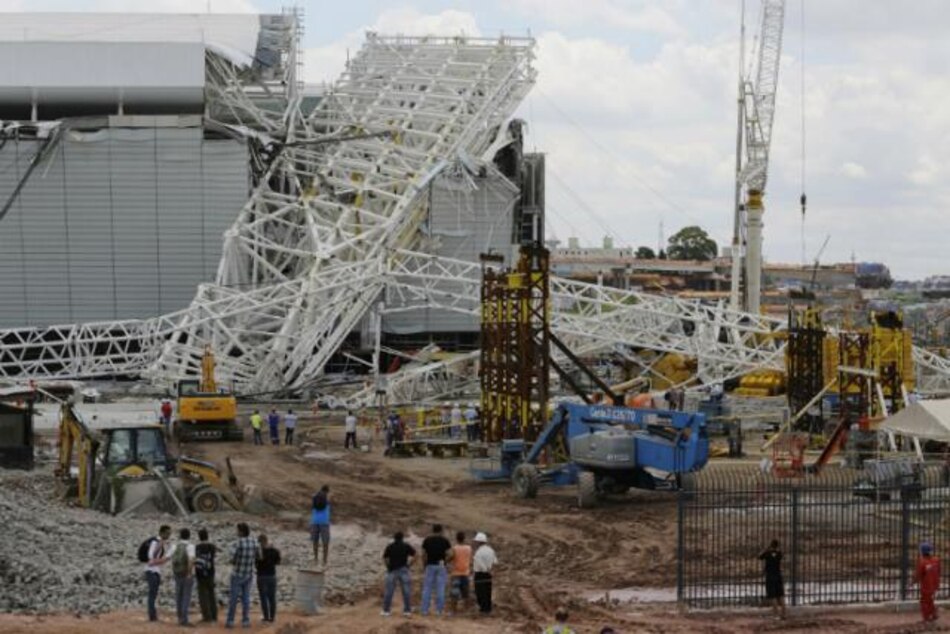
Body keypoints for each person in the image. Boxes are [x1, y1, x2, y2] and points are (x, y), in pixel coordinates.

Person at [226, 522, 261, 629]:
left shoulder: (238, 543)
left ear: (241, 532)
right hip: (249, 573)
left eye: (237, 530)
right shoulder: (254, 542)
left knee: (234, 598)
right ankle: (245, 620)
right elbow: (259, 556)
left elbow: (232, 558)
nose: (236, 532)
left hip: (237, 573)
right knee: (246, 598)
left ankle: (230, 621)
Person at [420, 523, 453, 616]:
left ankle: (424, 610)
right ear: (441, 530)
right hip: (441, 565)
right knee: (440, 589)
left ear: (433, 530)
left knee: (427, 588)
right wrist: (445, 561)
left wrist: (424, 565)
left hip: (430, 565)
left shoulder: (427, 540)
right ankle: (439, 611)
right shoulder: (445, 540)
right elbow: (451, 554)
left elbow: (423, 554)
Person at [381, 531, 416, 617]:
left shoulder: (390, 546)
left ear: (394, 538)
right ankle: (407, 611)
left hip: (392, 570)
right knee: (406, 591)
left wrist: (388, 566)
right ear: (402, 538)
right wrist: (409, 565)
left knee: (389, 591)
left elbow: (385, 558)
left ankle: (386, 611)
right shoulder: (406, 546)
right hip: (403, 569)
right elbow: (415, 555)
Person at [144, 525, 172, 622]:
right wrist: (161, 544)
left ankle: (153, 614)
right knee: (152, 593)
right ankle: (152, 616)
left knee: (154, 593)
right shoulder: (155, 542)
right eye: (167, 533)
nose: (169, 535)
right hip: (151, 570)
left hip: (156, 570)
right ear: (162, 533)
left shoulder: (160, 542)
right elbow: (151, 556)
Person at [171, 527, 197, 626]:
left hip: (177, 573)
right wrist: (189, 573)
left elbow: (171, 558)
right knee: (186, 596)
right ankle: (184, 619)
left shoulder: (175, 546)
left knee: (179, 595)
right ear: (189, 536)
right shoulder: (190, 546)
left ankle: (179, 618)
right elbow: (191, 560)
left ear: (180, 536)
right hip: (186, 573)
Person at [256, 534, 281, 623]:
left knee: (263, 598)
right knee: (272, 598)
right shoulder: (274, 550)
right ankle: (272, 617)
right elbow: (278, 562)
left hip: (261, 576)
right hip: (272, 576)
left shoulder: (258, 552)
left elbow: (255, 562)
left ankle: (266, 617)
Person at [758, 539, 786, 619]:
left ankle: (775, 614)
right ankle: (783, 614)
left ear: (771, 545)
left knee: (772, 596)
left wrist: (766, 548)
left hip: (770, 576)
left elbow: (759, 556)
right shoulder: (779, 554)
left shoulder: (767, 554)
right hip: (778, 576)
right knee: (780, 595)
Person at [195, 528, 218, 624]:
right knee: (211, 594)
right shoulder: (212, 547)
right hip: (211, 572)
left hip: (200, 573)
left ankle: (207, 616)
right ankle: (214, 615)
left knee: (203, 595)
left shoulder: (197, 547)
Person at [472, 532, 497, 615]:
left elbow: (480, 564)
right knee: (487, 591)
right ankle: (488, 609)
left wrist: (486, 569)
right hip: (489, 574)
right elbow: (495, 562)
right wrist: (491, 570)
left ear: (479, 542)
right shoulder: (491, 550)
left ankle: (483, 609)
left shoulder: (478, 552)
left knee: (480, 592)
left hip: (480, 574)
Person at [915, 542, 941, 622]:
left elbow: (918, 574)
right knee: (929, 600)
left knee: (924, 601)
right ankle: (934, 614)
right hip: (935, 584)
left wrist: (913, 582)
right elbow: (939, 571)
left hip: (927, 585)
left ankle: (926, 618)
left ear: (922, 552)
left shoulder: (922, 562)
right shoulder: (936, 560)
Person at [449, 531, 472, 615]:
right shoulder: (469, 548)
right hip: (465, 573)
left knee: (454, 593)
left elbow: (450, 558)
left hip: (456, 573)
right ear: (464, 538)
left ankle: (453, 611)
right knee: (466, 594)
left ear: (456, 538)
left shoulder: (455, 548)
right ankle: (466, 611)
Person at [310, 485, 331, 567]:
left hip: (314, 521)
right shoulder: (327, 499)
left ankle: (315, 559)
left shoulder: (314, 497)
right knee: (325, 542)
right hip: (324, 522)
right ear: (327, 491)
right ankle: (324, 561)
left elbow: (312, 507)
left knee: (315, 541)